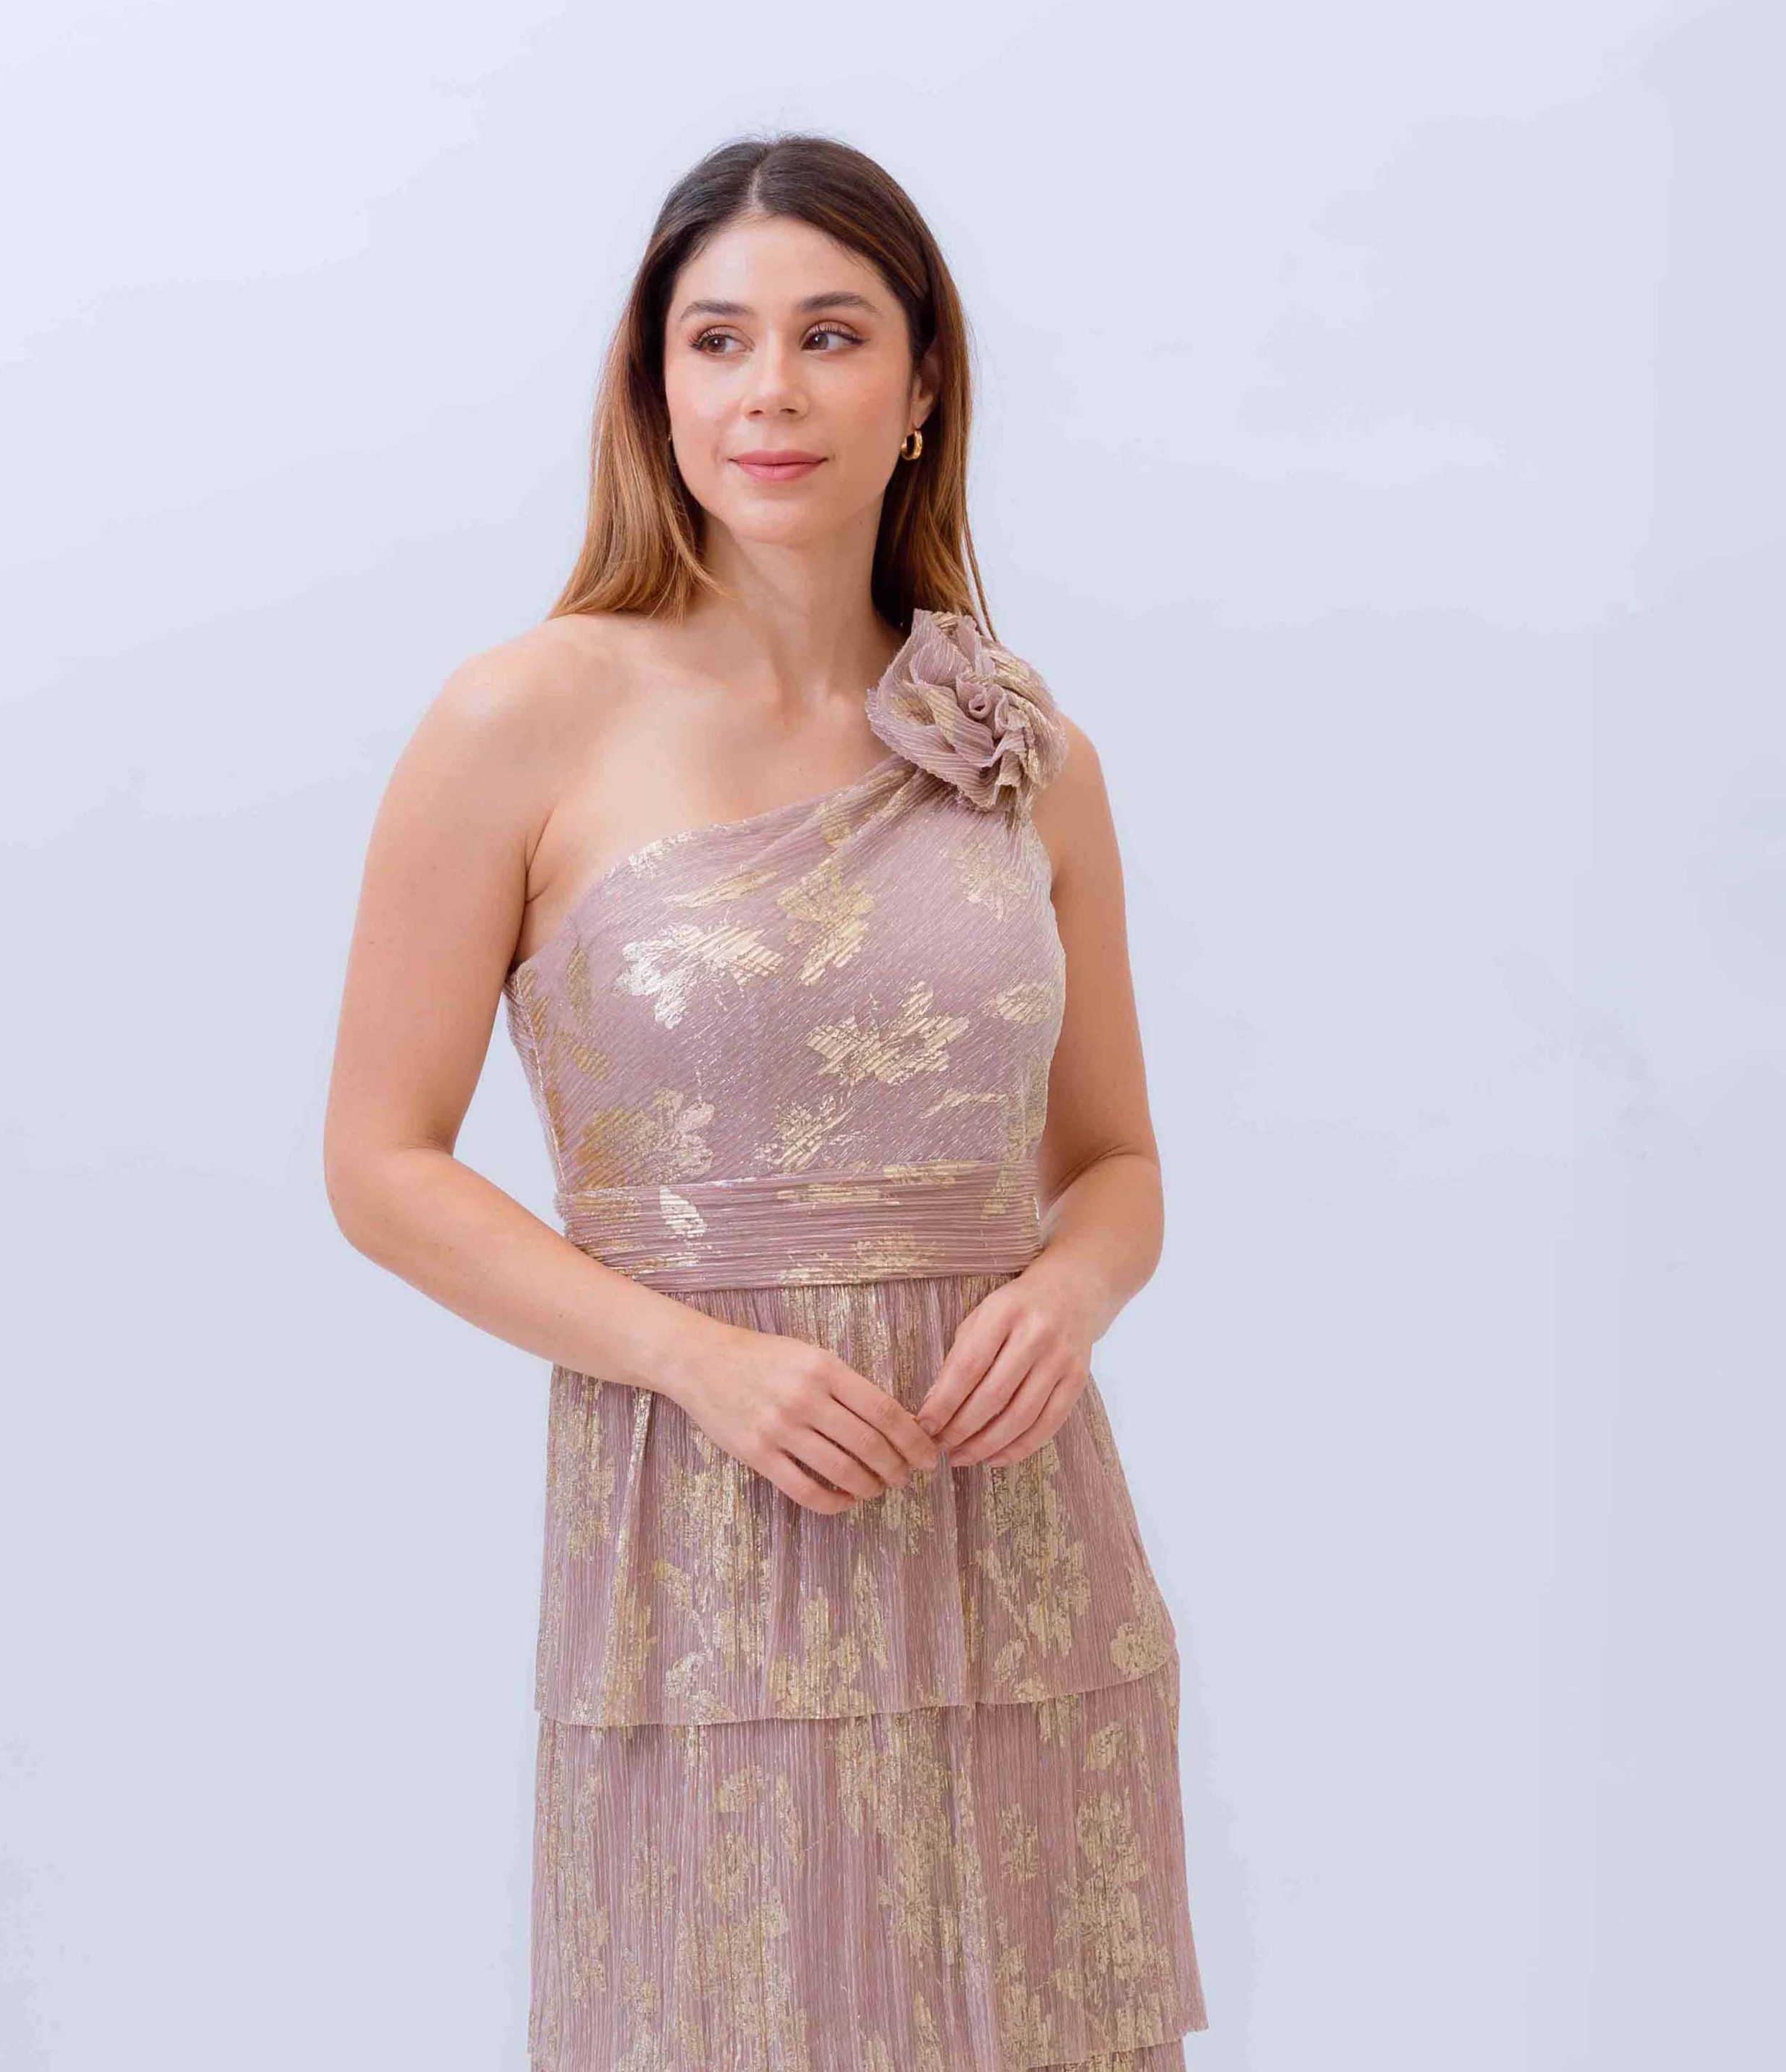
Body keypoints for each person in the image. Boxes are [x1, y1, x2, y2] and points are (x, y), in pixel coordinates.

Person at [324, 130, 1209, 2071]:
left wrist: (1070, 1293)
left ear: (923, 382)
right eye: (716, 340)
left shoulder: (1026, 749)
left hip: (1017, 1538)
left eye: (830, 334)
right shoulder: (522, 716)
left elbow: (1117, 1161)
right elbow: (380, 1165)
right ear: (656, 387)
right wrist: (694, 1360)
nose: (770, 392)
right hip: (705, 1542)